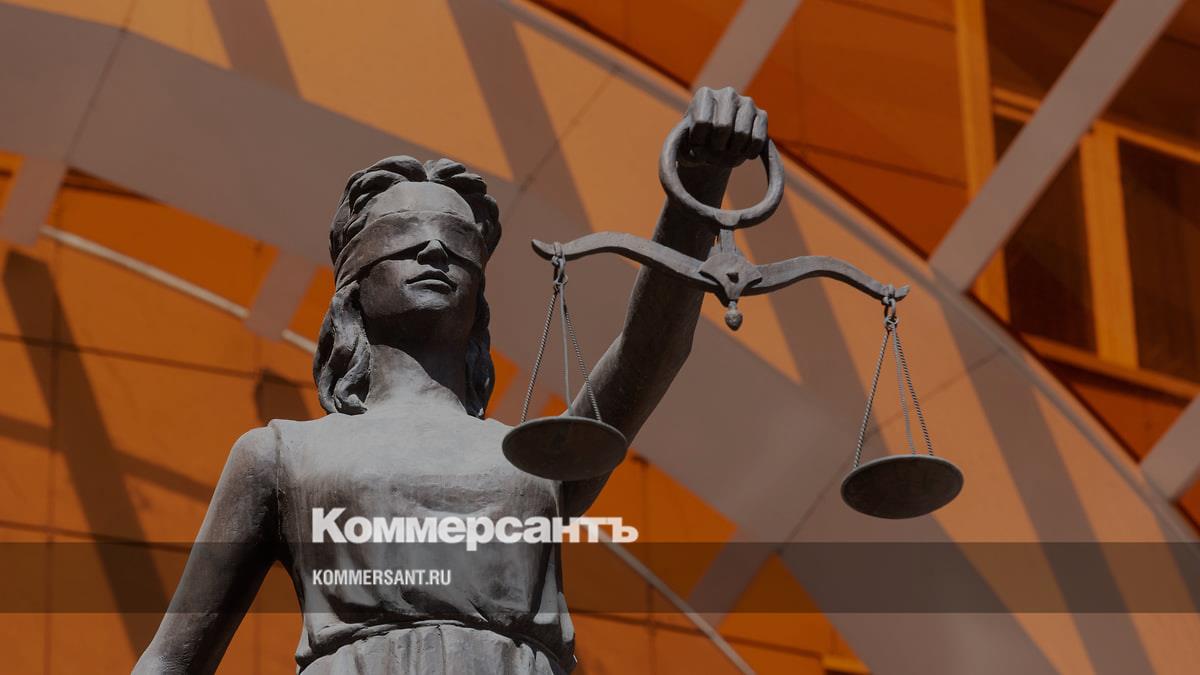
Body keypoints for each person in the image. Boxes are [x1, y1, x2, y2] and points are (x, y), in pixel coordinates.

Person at [133, 87, 769, 674]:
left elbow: (647, 354)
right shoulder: (281, 456)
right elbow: (172, 659)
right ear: (354, 282)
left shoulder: (536, 459)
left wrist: (697, 185)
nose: (434, 252)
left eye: (457, 241)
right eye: (402, 239)